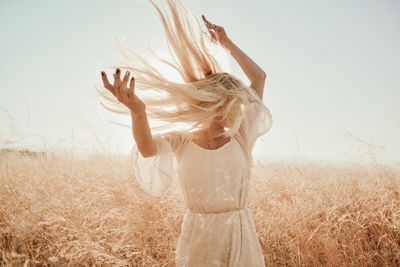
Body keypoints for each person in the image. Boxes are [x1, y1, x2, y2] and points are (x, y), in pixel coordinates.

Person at [98, 0, 272, 266]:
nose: (234, 106)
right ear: (213, 102)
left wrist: (226, 44)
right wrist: (138, 112)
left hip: (238, 234)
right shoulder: (181, 140)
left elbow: (259, 78)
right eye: (228, 101)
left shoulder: (241, 135)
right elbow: (147, 149)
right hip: (198, 237)